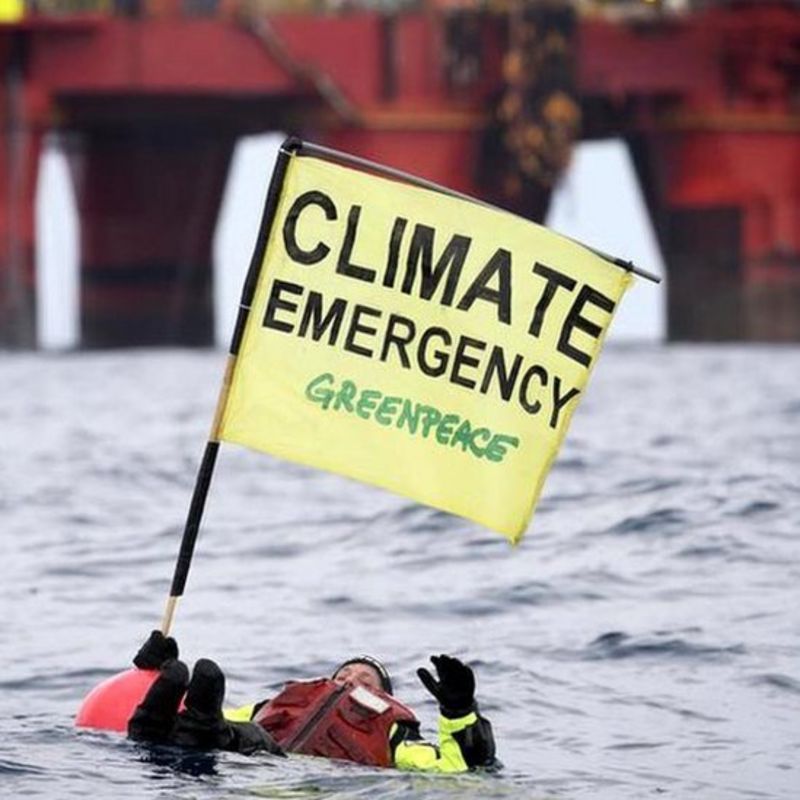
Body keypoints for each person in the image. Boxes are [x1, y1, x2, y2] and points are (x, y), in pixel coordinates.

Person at [128, 631, 497, 773]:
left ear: (384, 697)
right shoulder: (276, 705)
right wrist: (153, 672)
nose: (352, 680)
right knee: (202, 724)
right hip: (237, 754)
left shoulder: (395, 733)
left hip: (293, 774)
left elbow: (460, 768)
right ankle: (155, 709)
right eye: (344, 676)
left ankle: (173, 733)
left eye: (366, 681)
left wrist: (460, 711)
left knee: (248, 739)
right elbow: (205, 714)